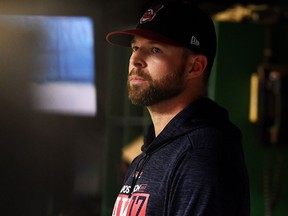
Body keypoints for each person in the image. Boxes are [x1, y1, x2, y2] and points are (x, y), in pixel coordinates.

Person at [106, 1, 250, 215]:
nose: (136, 59)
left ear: (195, 67)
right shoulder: (150, 153)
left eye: (155, 49)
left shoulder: (201, 153)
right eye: (135, 47)